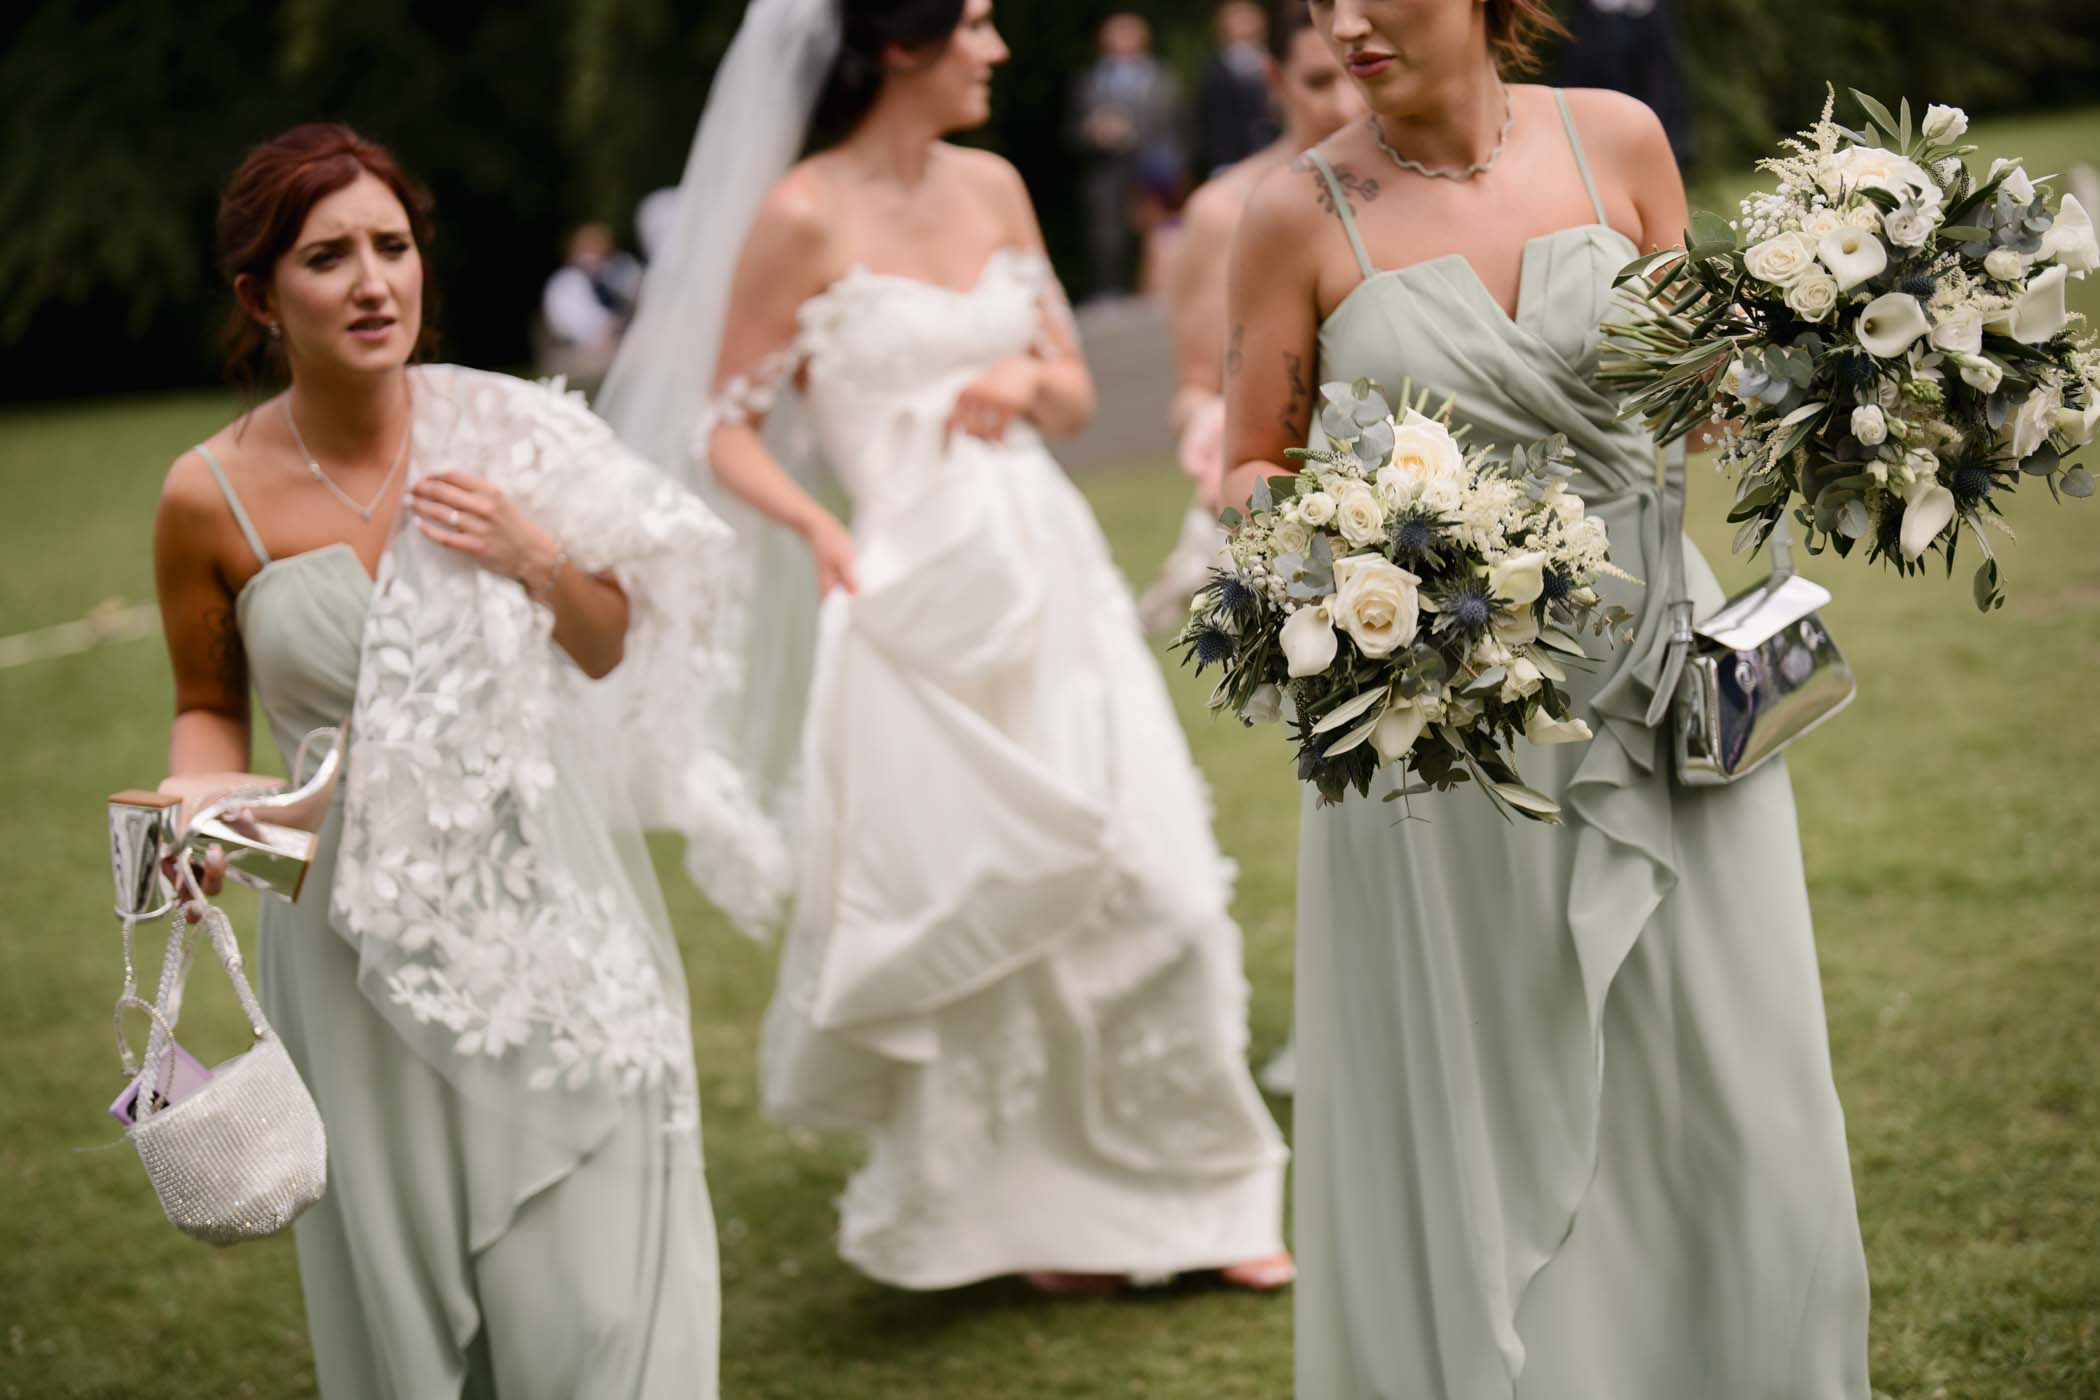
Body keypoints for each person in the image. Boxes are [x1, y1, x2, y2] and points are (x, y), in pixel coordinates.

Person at [1221, 2, 1871, 1394]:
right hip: (1454, 732)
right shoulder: (1297, 213)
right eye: (1317, 1)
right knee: (1492, 1079)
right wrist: (1355, 565)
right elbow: (1247, 469)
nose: (1342, 24)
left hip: (1669, 686)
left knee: (1729, 1068)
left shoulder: (1620, 142)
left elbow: (1703, 398)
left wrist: (1843, 367)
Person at [599, 0, 1291, 1296]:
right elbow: (725, 425)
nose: (999, 48)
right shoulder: (801, 214)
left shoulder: (997, 183)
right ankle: (1037, 1222)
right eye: (974, 22)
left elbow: (1074, 387)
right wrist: (813, 523)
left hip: (1049, 575)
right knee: (983, 902)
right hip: (908, 592)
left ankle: (1210, 1194)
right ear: (902, 45)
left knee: (1161, 887)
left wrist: (1025, 387)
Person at [152, 123, 724, 1398]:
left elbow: (608, 644)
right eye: (327, 256)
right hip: (343, 952)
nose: (372, 282)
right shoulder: (207, 495)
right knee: (410, 1318)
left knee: (595, 1298)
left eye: (391, 247)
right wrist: (196, 806)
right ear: (260, 295)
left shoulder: (516, 431)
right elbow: (208, 710)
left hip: (548, 921)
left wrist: (534, 553)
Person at [1137, 0, 1364, 642]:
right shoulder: (1222, 212)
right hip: (1288, 482)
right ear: (1276, 81)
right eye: (1319, 81)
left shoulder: (1412, 182)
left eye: (1355, 74)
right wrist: (1218, 442)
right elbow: (1196, 386)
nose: (1345, 105)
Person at [1069, 12, 1184, 301]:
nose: (1123, 40)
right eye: (1117, 33)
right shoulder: (1090, 81)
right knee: (1107, 233)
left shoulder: (1162, 78)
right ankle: (1111, 292)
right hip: (1106, 170)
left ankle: (1157, 288)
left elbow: (1178, 126)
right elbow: (1072, 129)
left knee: (1157, 232)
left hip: (1152, 168)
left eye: (1130, 33)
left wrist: (1175, 166)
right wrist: (1094, 132)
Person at [536, 221, 642, 391]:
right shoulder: (564, 284)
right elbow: (571, 326)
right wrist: (609, 327)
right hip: (582, 350)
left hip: (624, 341)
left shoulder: (621, 270)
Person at [1195, 2, 1278, 177]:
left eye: (1249, 17)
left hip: (1273, 151)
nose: (1245, 23)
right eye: (1238, 18)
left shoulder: (1276, 61)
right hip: (1230, 158)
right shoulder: (1213, 70)